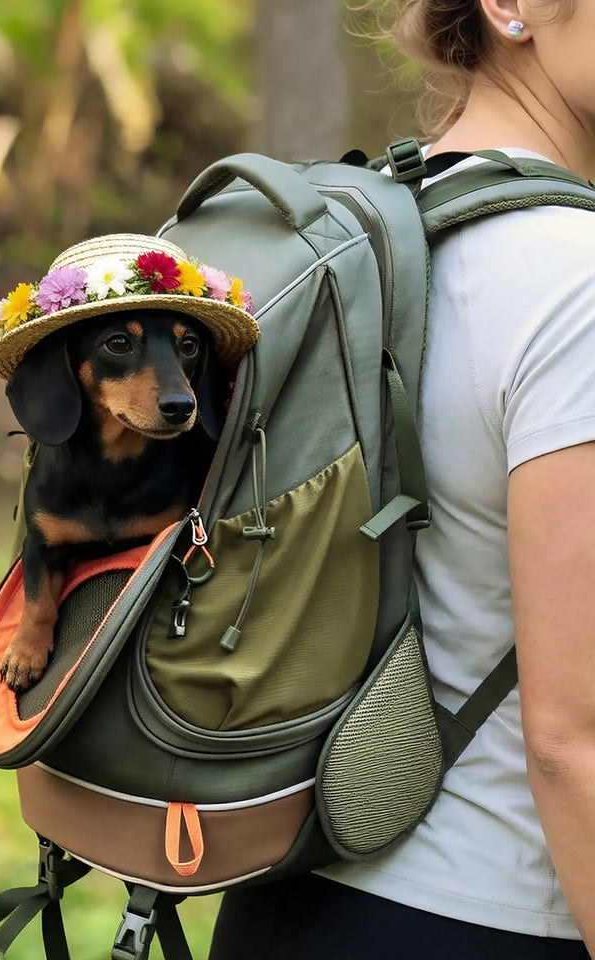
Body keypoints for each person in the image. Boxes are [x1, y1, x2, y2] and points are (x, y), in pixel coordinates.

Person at [208, 1, 595, 957]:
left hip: (282, 889)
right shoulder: (576, 281)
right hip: (497, 908)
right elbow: (573, 741)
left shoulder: (362, 231)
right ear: (511, 8)